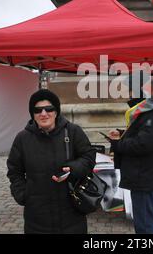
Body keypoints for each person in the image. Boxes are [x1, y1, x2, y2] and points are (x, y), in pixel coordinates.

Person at [6, 89, 96, 234]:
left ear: (56, 111)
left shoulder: (73, 132)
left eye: (49, 109)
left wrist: (73, 169)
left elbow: (89, 157)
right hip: (37, 217)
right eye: (37, 110)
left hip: (71, 214)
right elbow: (14, 170)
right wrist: (23, 194)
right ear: (32, 114)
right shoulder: (22, 138)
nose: (43, 114)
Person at [108, 71, 153, 234]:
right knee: (143, 223)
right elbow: (141, 136)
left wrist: (118, 144)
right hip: (142, 177)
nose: (127, 94)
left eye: (129, 89)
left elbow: (143, 144)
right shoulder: (145, 112)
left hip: (144, 178)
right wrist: (122, 134)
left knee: (146, 226)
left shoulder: (152, 115)